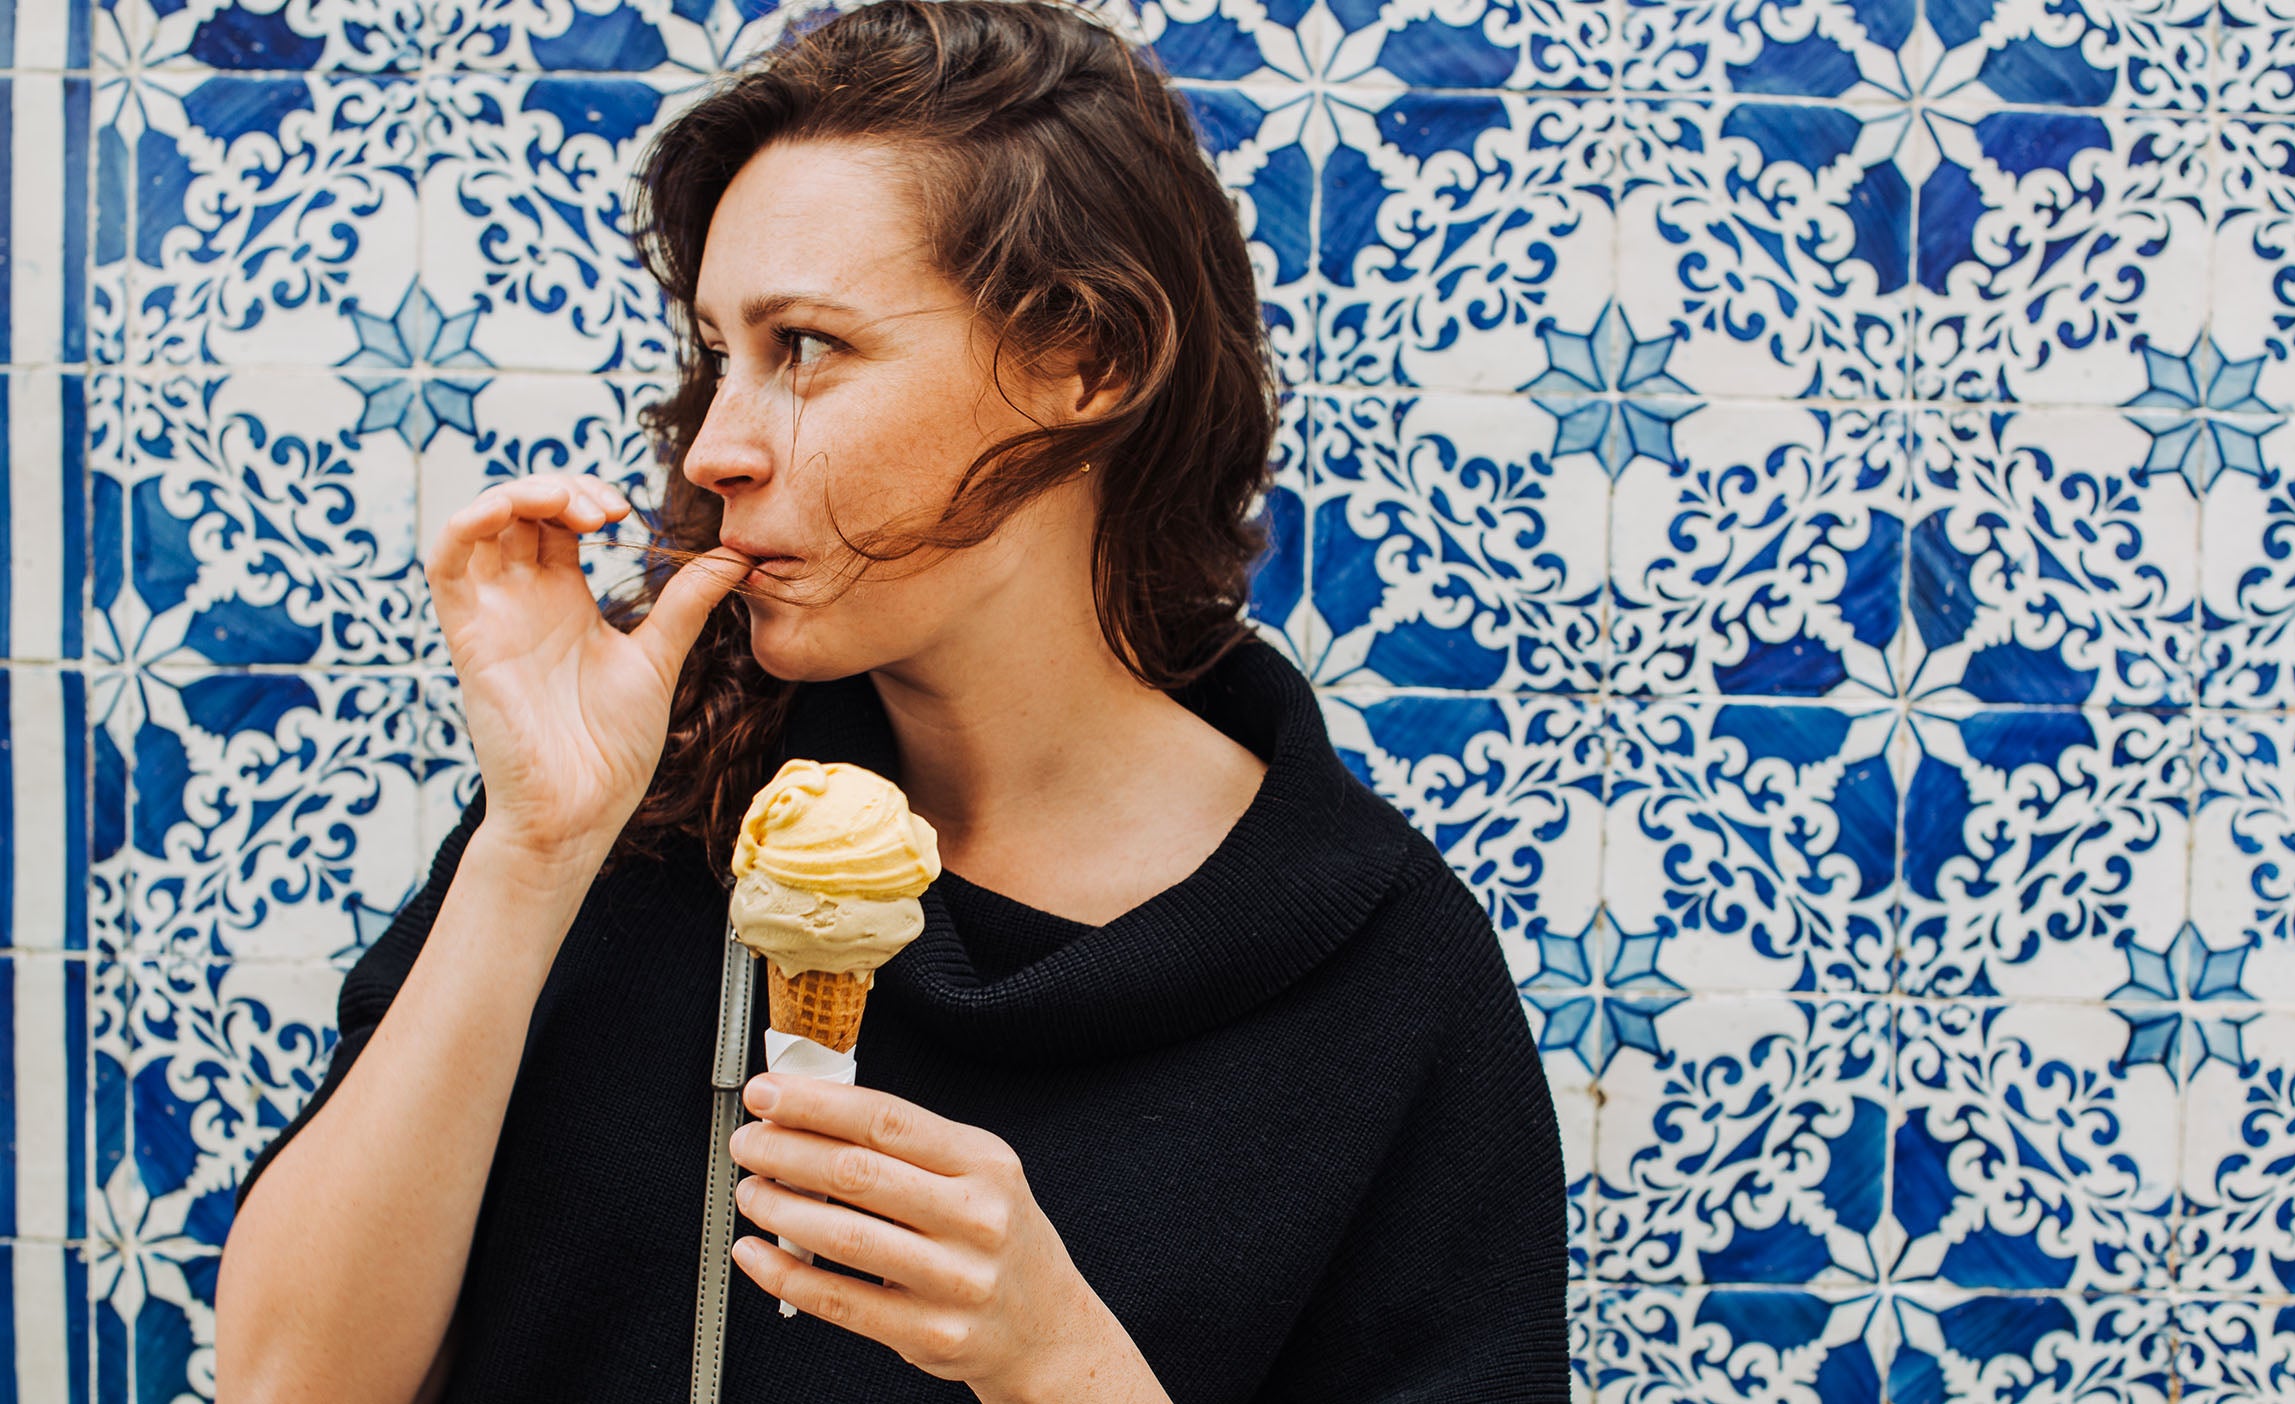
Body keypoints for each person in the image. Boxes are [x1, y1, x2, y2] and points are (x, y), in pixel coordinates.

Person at [211, 2, 1566, 1400]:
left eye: (806, 346)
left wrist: (1063, 1363)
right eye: (719, 355)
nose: (720, 445)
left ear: (1083, 362)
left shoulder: (1387, 978)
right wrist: (535, 849)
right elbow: (284, 1385)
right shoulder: (644, 808)